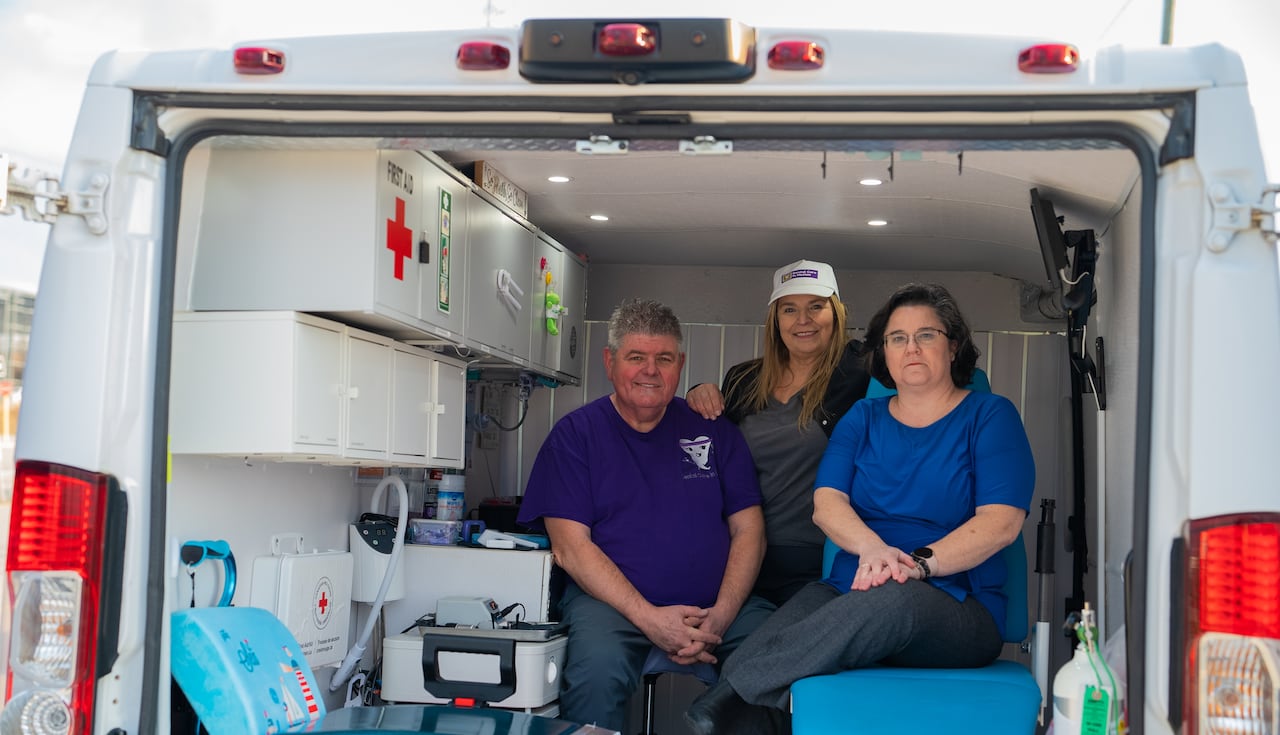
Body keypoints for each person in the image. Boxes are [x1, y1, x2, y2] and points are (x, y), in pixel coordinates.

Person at [684, 282, 1036, 735]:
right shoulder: (862, 418)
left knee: (890, 600)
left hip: (956, 606)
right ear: (883, 354)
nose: (911, 348)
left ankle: (719, 704)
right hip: (853, 587)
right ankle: (738, 714)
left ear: (953, 347)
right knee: (783, 624)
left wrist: (916, 566)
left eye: (926, 335)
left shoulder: (990, 416)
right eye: (897, 338)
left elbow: (1001, 523)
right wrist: (873, 551)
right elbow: (827, 504)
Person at [517, 298, 774, 732]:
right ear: (610, 361)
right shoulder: (575, 437)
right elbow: (570, 548)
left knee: (775, 657)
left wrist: (723, 616)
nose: (650, 370)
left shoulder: (713, 430)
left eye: (663, 358)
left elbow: (750, 529)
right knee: (594, 673)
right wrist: (650, 619)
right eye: (636, 357)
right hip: (613, 607)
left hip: (719, 607)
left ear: (681, 364)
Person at [687, 259, 870, 606]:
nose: (803, 320)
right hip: (738, 556)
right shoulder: (744, 379)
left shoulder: (859, 373)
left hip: (816, 563)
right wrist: (698, 394)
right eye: (790, 309)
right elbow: (716, 459)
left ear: (837, 313)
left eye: (816, 307)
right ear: (775, 320)